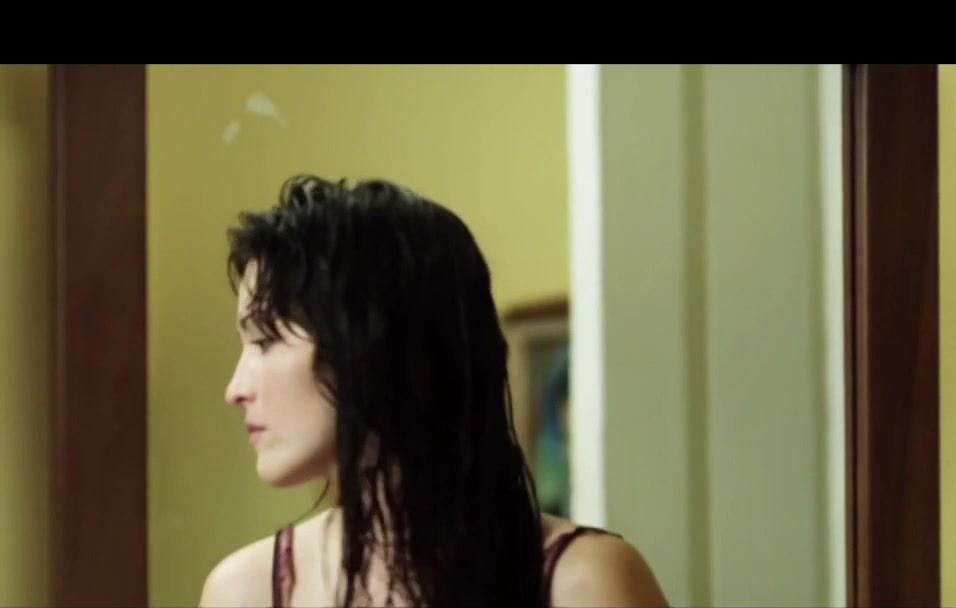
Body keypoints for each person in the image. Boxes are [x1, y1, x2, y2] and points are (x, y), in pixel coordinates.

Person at [198, 175, 668, 608]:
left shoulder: (582, 582)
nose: (235, 390)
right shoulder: (245, 592)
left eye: (266, 340)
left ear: (372, 345)